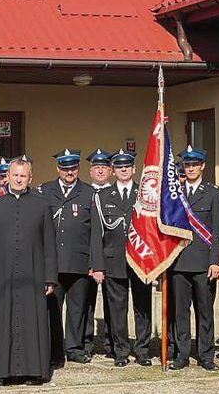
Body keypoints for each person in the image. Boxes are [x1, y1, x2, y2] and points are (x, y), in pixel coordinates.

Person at [0, 157, 58, 385]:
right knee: (2, 322)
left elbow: (49, 244)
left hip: (34, 274)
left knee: (33, 321)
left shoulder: (42, 204)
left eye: (23, 176)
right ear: (7, 177)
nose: (19, 179)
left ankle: (34, 372)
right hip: (1, 275)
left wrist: (50, 277)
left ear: (30, 178)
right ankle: (0, 373)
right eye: (15, 175)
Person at [40, 149, 102, 365]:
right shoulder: (45, 191)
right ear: (58, 169)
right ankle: (55, 350)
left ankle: (74, 348)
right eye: (65, 168)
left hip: (79, 261)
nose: (69, 172)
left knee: (78, 308)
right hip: (53, 263)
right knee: (53, 309)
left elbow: (95, 232)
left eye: (73, 168)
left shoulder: (88, 193)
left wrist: (96, 264)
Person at [91, 150, 151, 366]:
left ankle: (143, 351)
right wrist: (97, 265)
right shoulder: (102, 197)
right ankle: (121, 352)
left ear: (134, 170)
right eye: (119, 167)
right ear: (113, 171)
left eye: (127, 166)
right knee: (117, 310)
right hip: (113, 260)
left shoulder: (145, 194)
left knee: (143, 307)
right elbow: (97, 235)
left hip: (141, 259)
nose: (123, 170)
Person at [170, 146, 219, 371]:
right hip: (179, 261)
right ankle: (182, 354)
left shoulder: (213, 192)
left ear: (202, 166)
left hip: (203, 263)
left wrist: (215, 261)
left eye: (195, 164)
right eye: (187, 165)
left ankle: (206, 356)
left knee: (205, 311)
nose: (191, 168)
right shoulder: (174, 192)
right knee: (180, 312)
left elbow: (218, 230)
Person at [84, 148, 114, 357]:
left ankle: (112, 343)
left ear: (111, 170)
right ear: (90, 171)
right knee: (86, 303)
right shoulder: (84, 193)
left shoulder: (115, 193)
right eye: (96, 167)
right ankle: (86, 343)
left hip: (111, 258)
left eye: (104, 167)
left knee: (113, 305)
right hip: (87, 257)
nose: (100, 171)